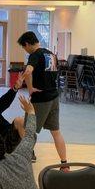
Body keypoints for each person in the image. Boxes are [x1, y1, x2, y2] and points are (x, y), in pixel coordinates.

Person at [17, 31, 68, 166]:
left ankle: (28, 155)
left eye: (24, 47)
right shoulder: (51, 54)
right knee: (56, 132)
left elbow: (28, 71)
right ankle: (64, 163)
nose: (25, 50)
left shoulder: (35, 55)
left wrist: (29, 88)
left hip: (41, 99)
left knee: (28, 129)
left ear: (27, 44)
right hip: (54, 97)